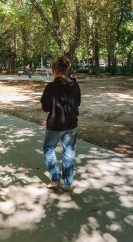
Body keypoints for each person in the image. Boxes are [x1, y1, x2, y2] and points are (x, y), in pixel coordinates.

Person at [40, 57, 81, 192]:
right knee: (69, 152)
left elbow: (45, 107)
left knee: (48, 149)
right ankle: (67, 183)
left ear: (55, 71)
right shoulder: (75, 85)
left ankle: (56, 179)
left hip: (56, 124)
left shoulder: (51, 87)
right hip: (71, 124)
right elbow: (78, 102)